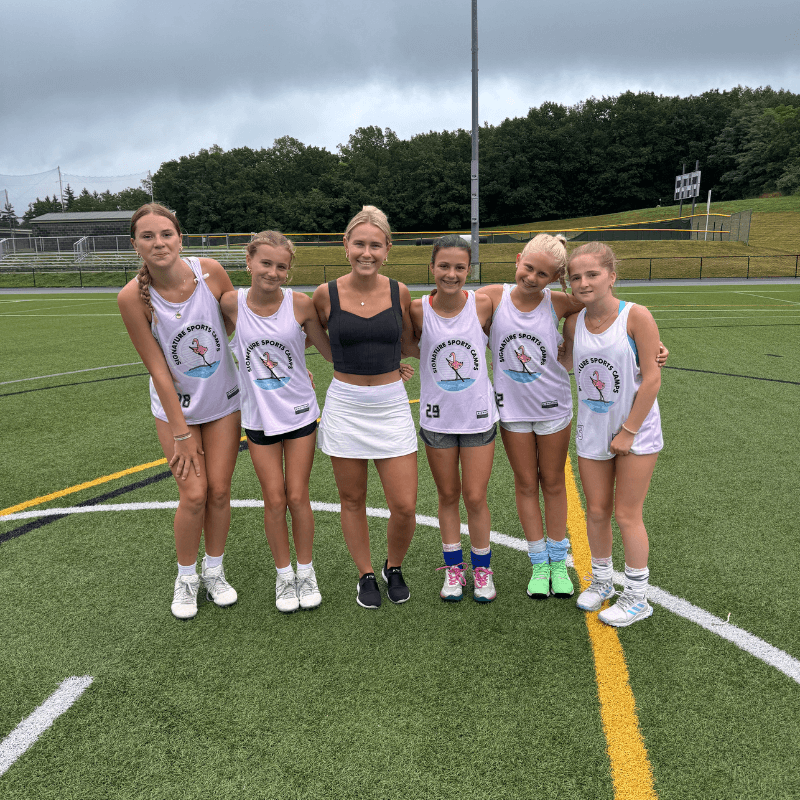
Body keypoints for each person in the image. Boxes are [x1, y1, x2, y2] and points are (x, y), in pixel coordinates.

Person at [118, 203, 241, 620]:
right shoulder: (131, 297)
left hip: (223, 402)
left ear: (180, 238)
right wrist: (182, 432)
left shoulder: (209, 271)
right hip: (175, 411)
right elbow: (157, 367)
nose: (159, 243)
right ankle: (186, 577)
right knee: (193, 494)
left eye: (166, 234)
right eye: (148, 236)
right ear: (135, 245)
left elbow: (236, 325)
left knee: (220, 491)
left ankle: (214, 570)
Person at [312, 206, 418, 609]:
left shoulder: (399, 292)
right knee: (352, 499)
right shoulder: (326, 294)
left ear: (388, 249)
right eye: (359, 243)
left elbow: (409, 340)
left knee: (404, 505)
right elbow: (311, 338)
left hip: (391, 405)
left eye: (376, 245)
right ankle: (365, 575)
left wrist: (397, 364)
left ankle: (395, 566)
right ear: (346, 245)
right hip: (346, 404)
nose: (366, 252)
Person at [220, 231, 332, 614]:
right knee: (274, 499)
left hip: (300, 411)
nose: (273, 272)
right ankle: (284, 576)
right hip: (257, 417)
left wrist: (295, 361)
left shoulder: (300, 304)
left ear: (289, 270)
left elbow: (328, 349)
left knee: (298, 496)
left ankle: (306, 571)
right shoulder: (230, 304)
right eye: (265, 263)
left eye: (281, 266)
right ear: (249, 261)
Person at [560, 241, 663, 627]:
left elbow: (652, 379)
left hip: (635, 433)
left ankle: (637, 597)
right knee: (598, 511)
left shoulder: (637, 316)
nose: (583, 283)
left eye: (592, 274)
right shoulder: (574, 322)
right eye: (575, 277)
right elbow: (564, 361)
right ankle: (602, 582)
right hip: (592, 431)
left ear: (612, 276)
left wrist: (629, 431)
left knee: (626, 515)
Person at [478, 234, 583, 600]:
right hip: (512, 411)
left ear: (554, 278)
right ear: (518, 259)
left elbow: (607, 310)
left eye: (543, 273)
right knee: (525, 483)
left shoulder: (560, 302)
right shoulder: (493, 296)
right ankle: (538, 563)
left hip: (553, 407)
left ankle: (558, 561)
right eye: (528, 267)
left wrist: (650, 343)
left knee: (552, 482)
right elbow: (445, 318)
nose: (532, 277)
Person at [411, 235, 500, 602]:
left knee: (475, 497)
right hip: (437, 420)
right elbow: (400, 343)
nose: (451, 274)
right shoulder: (417, 309)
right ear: (431, 267)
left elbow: (532, 315)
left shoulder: (483, 303)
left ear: (469, 269)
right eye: (444, 266)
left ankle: (482, 571)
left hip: (478, 418)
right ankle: (454, 569)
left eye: (459, 267)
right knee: (448, 495)